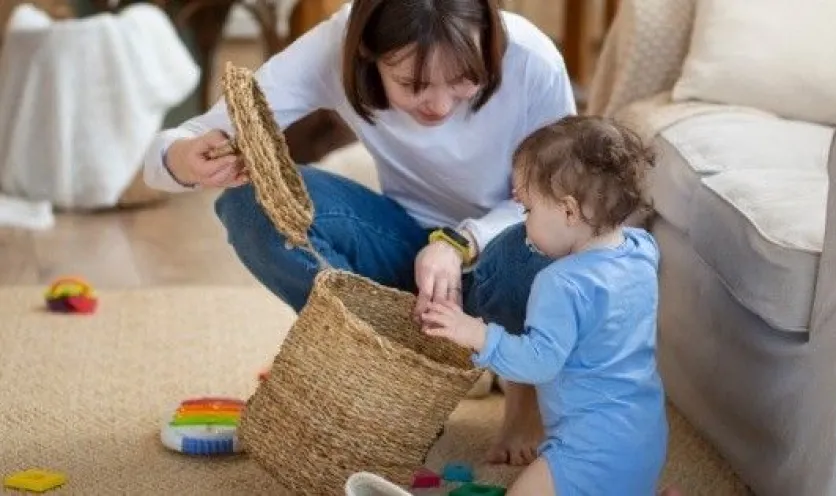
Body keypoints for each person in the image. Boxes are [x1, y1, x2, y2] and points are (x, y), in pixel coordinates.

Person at [141, 0, 575, 465]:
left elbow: (567, 200)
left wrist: (459, 242)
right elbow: (169, 151)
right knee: (249, 206)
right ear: (368, 53)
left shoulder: (532, 60)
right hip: (403, 247)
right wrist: (182, 158)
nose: (440, 104)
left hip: (505, 259)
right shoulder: (336, 44)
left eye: (466, 80)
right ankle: (392, 366)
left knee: (551, 237)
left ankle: (521, 390)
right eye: (413, 84)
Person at [420, 115, 670, 496]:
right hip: (645, 434)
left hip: (587, 449)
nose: (524, 223)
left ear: (570, 212)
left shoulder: (560, 283)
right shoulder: (641, 250)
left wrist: (476, 333)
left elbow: (538, 362)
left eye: (528, 210)